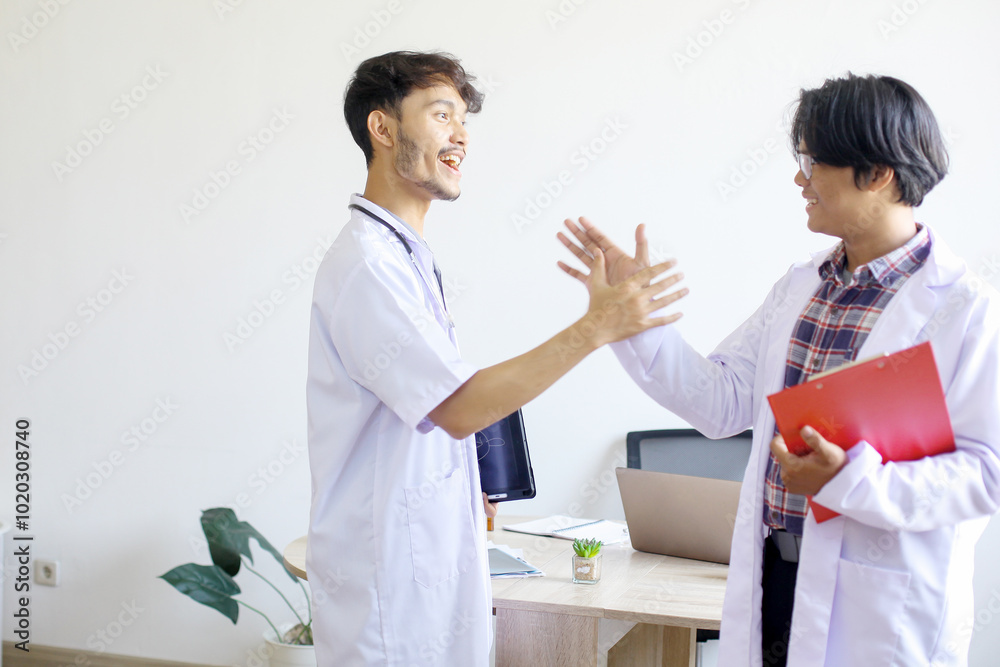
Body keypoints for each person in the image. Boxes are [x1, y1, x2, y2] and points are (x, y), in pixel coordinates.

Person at [558, 73, 1000, 667]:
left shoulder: (965, 310)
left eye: (812, 161)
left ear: (878, 173)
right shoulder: (800, 286)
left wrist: (851, 479)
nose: (799, 178)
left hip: (881, 603)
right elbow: (721, 401)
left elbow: (985, 474)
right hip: (774, 577)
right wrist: (634, 320)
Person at [305, 51, 685, 666]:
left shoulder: (404, 256)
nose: (461, 136)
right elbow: (457, 407)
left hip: (425, 566)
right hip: (388, 586)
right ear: (382, 128)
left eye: (464, 120)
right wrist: (596, 327)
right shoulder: (368, 266)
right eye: (441, 114)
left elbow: (429, 411)